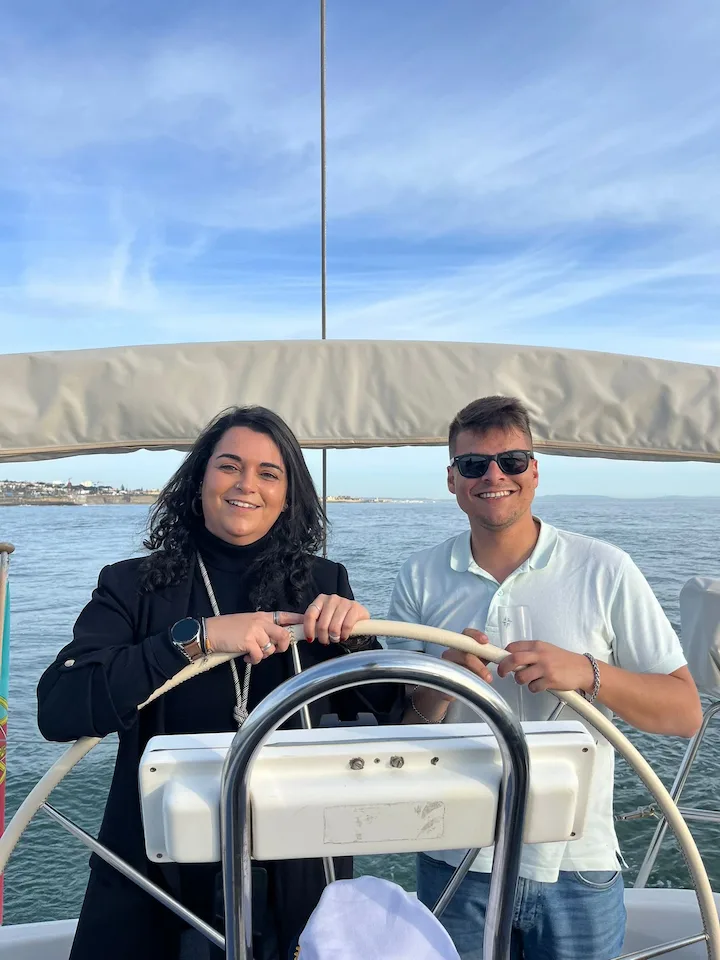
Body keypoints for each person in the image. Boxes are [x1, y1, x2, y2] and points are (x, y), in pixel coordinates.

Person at [37, 405, 401, 960]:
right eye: (229, 466)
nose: (246, 484)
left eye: (268, 473)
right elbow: (60, 707)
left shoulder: (322, 585)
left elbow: (391, 711)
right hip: (152, 873)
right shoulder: (133, 586)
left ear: (288, 496)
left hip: (294, 873)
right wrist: (198, 638)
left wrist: (356, 639)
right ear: (199, 481)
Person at [385, 395, 702, 960]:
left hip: (579, 864)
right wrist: (439, 682)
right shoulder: (419, 576)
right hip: (453, 853)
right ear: (452, 480)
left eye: (511, 460)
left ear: (534, 471)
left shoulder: (604, 569)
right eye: (473, 464)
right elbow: (403, 731)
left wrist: (588, 672)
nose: (493, 476)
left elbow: (684, 713)